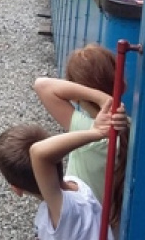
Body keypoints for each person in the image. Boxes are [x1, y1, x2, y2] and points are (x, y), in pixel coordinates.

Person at [0, 99, 128, 240]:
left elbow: (38, 153)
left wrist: (97, 133)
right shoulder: (75, 185)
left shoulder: (63, 211)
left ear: (16, 189)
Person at [33, 44, 123, 204]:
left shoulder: (88, 129)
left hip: (83, 219)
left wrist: (101, 98)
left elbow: (42, 85)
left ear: (75, 94)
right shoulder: (128, 126)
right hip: (112, 225)